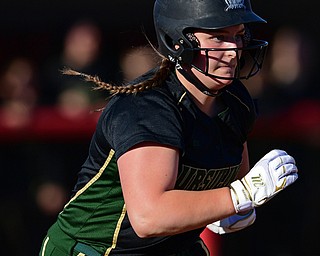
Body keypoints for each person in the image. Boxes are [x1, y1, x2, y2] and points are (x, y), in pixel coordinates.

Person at [39, 0, 298, 255]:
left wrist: (229, 209)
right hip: (95, 249)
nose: (234, 49)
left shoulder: (236, 102)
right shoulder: (148, 107)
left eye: (239, 35)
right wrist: (239, 196)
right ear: (178, 42)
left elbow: (231, 184)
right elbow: (149, 217)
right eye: (219, 37)